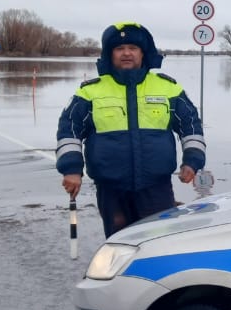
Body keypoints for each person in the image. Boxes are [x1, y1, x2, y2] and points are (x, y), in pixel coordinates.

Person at [56, 21, 206, 237]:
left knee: (159, 242)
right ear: (110, 54)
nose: (126, 53)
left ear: (143, 53)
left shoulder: (168, 88)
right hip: (111, 189)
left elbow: (191, 125)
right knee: (120, 245)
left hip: (156, 186)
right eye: (119, 48)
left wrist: (192, 161)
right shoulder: (90, 92)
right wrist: (71, 169)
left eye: (133, 48)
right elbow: (69, 131)